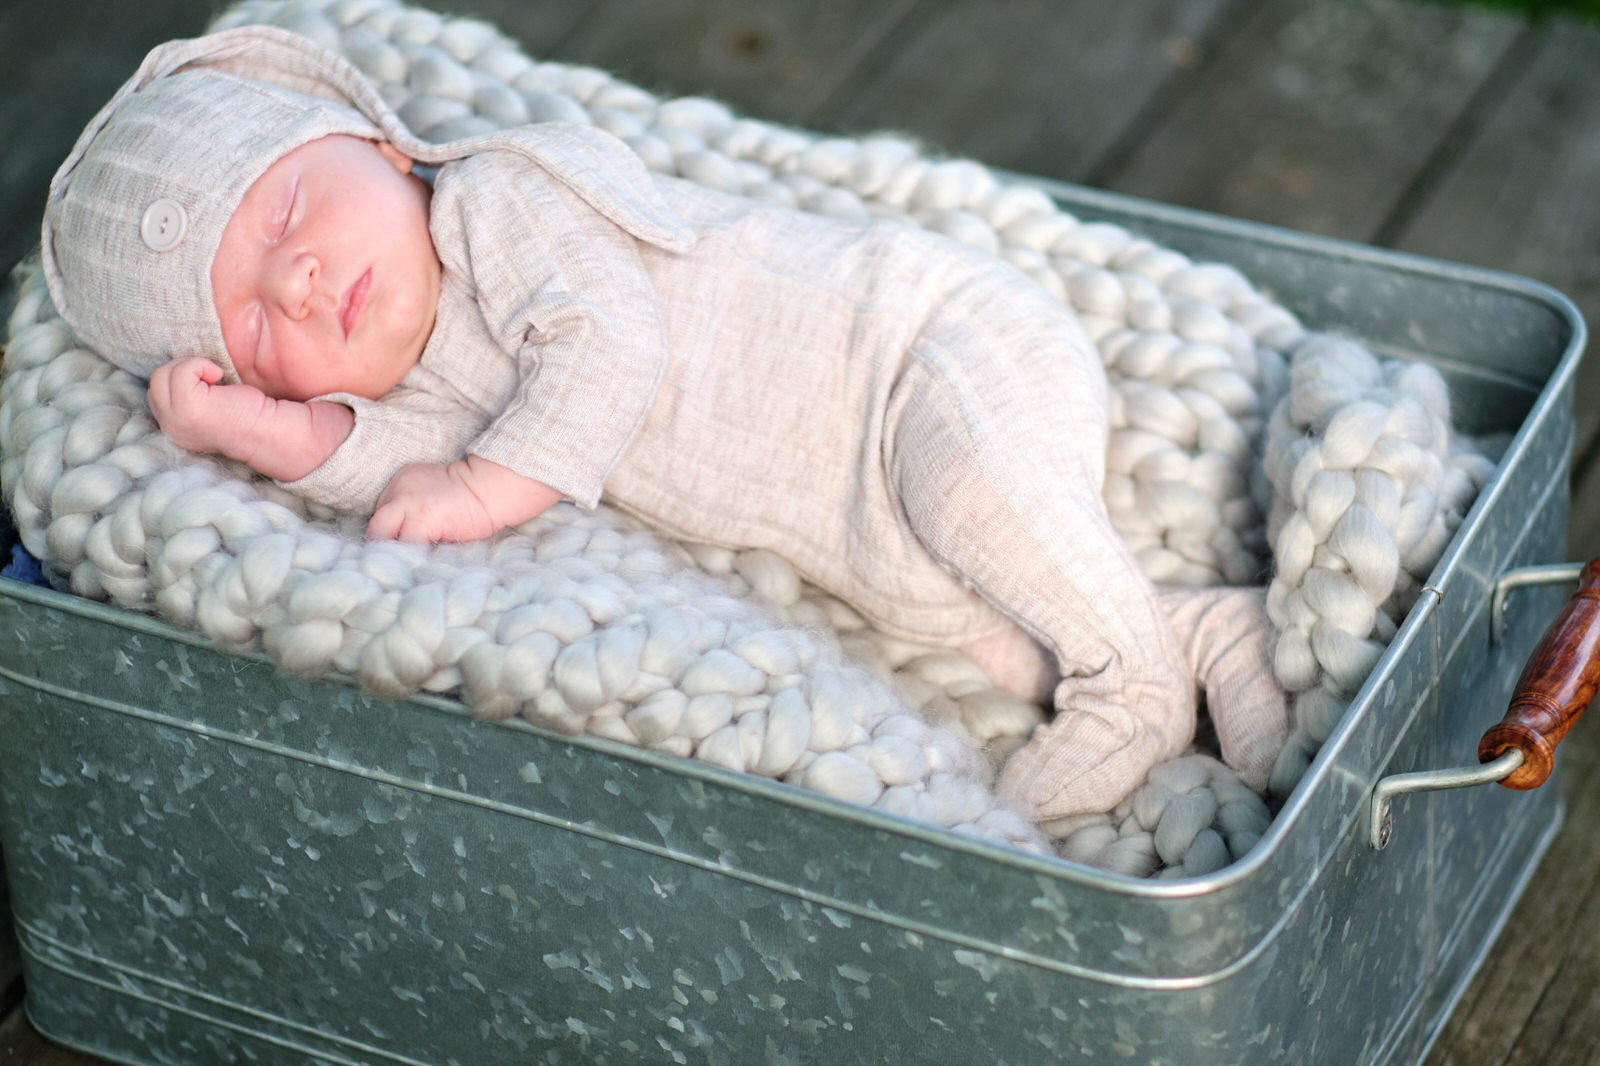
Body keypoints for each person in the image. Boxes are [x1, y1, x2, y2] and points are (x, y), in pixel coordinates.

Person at [42, 25, 1288, 825]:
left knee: (979, 501)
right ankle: (1194, 639)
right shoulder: (413, 384)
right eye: (257, 327)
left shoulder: (494, 200)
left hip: (919, 348)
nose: (301, 281)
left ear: (376, 141)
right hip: (855, 513)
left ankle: (1127, 689)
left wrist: (483, 488)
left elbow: (608, 345)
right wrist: (266, 436)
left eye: (289, 212)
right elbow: (394, 471)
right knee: (1003, 631)